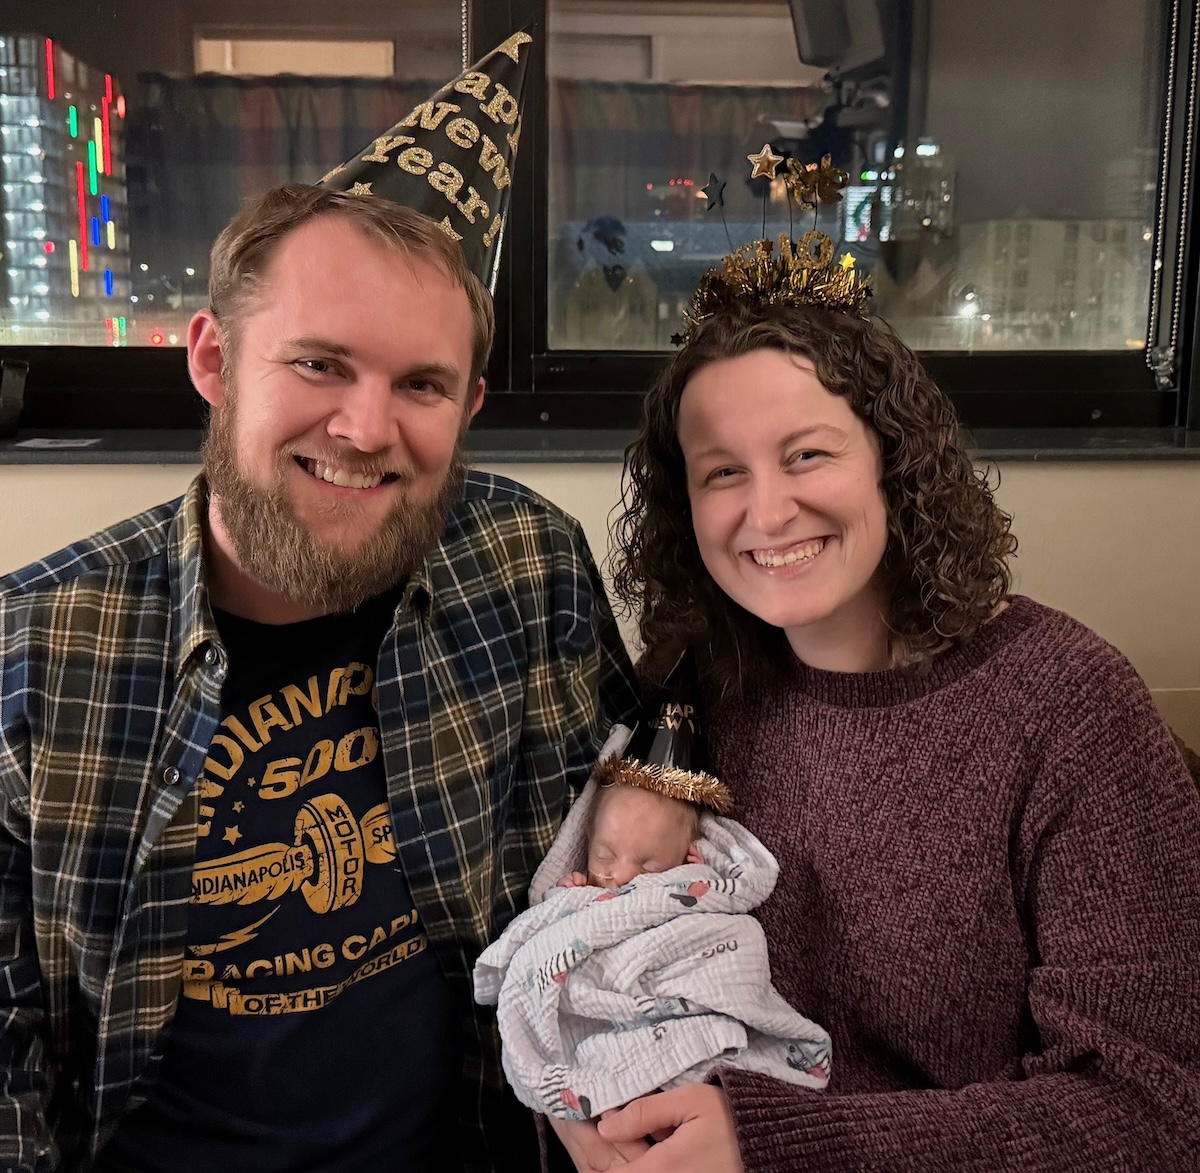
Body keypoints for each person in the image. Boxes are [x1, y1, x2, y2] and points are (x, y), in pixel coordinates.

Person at [0, 33, 639, 1173]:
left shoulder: (527, 564)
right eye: (318, 365)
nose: (364, 429)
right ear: (212, 358)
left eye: (422, 385)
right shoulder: (32, 656)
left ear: (471, 402)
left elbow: (605, 898)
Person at [569, 170, 1200, 1170]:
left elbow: (1152, 1113)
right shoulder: (689, 691)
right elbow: (589, 954)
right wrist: (575, 1098)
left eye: (809, 454)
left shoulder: (1070, 711)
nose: (766, 512)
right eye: (722, 471)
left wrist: (772, 1145)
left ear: (894, 464)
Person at [474, 713, 831, 1135]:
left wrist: (697, 879)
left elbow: (710, 904)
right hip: (601, 1006)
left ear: (686, 857)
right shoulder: (585, 885)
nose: (623, 876)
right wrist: (568, 893)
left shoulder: (689, 878)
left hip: (677, 977)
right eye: (606, 856)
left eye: (649, 864)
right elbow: (553, 927)